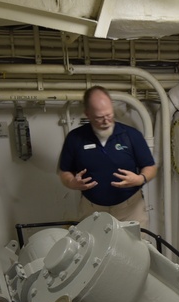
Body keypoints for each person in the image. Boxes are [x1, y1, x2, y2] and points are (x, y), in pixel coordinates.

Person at [58, 86, 158, 228]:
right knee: (94, 250)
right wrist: (71, 182)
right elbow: (64, 171)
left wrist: (139, 179)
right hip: (92, 211)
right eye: (100, 117)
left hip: (131, 210)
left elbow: (150, 167)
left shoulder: (131, 135)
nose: (106, 121)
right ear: (88, 114)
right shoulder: (75, 138)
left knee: (135, 249)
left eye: (109, 115)